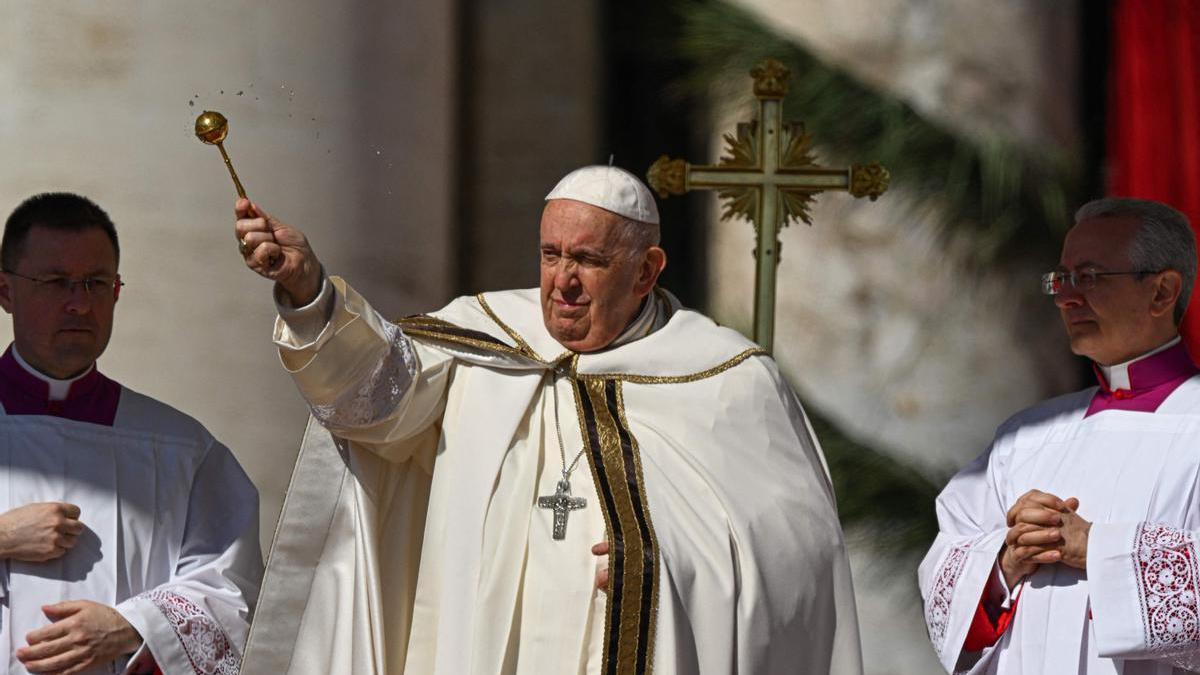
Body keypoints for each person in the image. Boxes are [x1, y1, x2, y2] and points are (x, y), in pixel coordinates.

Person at [236, 166, 863, 674]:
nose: (562, 282)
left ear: (647, 270)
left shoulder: (728, 379)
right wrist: (309, 290)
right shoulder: (479, 338)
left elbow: (798, 562)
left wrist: (667, 567)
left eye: (588, 259)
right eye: (550, 254)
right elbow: (374, 400)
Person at [919, 197, 1200, 673]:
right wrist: (1006, 560)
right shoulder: (1025, 437)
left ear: (1161, 292)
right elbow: (947, 567)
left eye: (1088, 277)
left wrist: (1100, 548)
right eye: (1061, 279)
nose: (1067, 297)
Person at [0, 193, 262, 674]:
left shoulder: (181, 449)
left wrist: (135, 626)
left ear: (117, 291)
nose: (79, 304)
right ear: (6, 291)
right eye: (56, 282)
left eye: (96, 283)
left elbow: (235, 592)